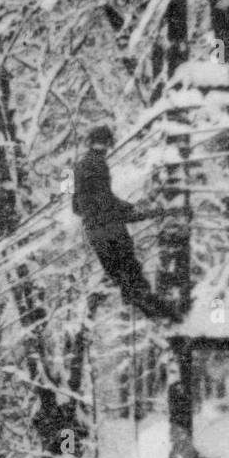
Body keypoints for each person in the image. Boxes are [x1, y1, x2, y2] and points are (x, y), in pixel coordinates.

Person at [72, 125, 180, 321]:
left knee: (120, 277)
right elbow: (105, 201)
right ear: (106, 145)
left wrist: (121, 209)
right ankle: (169, 316)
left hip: (94, 234)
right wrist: (131, 210)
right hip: (112, 231)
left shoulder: (78, 167)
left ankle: (158, 316)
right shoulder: (98, 165)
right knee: (132, 274)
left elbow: (76, 207)